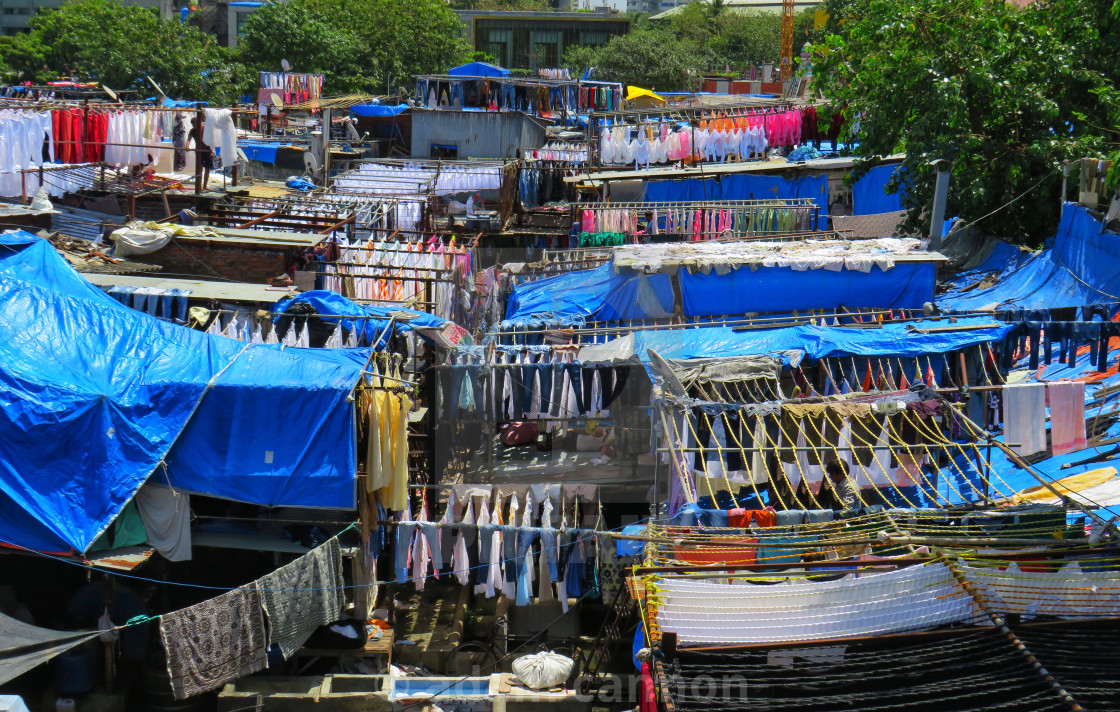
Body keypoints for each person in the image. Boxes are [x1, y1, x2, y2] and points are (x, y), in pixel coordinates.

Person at [187, 115, 212, 190]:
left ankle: (205, 185)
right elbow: (189, 139)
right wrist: (187, 146)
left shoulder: (205, 128)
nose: (194, 126)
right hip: (199, 151)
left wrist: (212, 151)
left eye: (195, 125)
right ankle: (199, 186)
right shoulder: (192, 131)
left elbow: (211, 140)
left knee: (207, 168)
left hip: (207, 150)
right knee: (199, 168)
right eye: (193, 125)